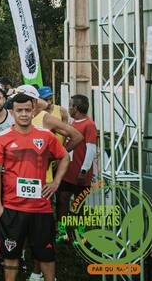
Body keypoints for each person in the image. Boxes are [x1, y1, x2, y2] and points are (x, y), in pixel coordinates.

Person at [0, 93, 70, 281]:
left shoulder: (46, 135)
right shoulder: (1, 138)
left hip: (41, 208)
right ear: (12, 112)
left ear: (33, 110)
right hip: (12, 207)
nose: (24, 114)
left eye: (27, 110)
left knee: (46, 254)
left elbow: (65, 157)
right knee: (11, 255)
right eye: (19, 110)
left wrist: (56, 182)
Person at [57, 94, 97, 240]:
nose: (68, 108)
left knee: (78, 204)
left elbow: (91, 149)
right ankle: (63, 232)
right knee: (62, 200)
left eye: (70, 105)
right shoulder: (72, 123)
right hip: (68, 171)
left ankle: (80, 234)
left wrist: (84, 170)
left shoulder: (89, 125)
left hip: (80, 173)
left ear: (76, 108)